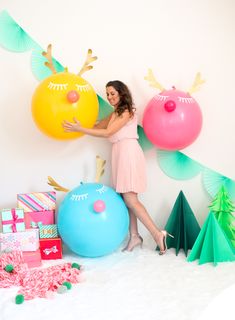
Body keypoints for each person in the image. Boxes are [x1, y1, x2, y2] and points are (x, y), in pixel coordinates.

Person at [62, 80, 172, 254]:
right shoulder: (115, 113)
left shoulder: (127, 111)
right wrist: (78, 125)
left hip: (128, 153)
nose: (110, 97)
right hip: (120, 154)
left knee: (131, 199)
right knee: (126, 198)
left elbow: (108, 132)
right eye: (107, 94)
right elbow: (99, 126)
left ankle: (157, 233)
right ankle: (134, 236)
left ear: (122, 93)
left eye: (113, 93)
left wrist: (81, 129)